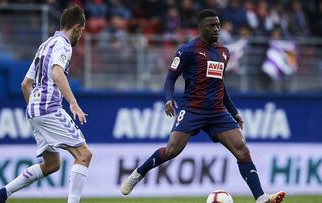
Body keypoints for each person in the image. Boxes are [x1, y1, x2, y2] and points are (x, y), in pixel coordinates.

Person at [121, 9, 286, 203]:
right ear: (200, 28)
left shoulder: (224, 52)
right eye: (211, 26)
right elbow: (170, 77)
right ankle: (138, 174)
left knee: (242, 149)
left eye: (218, 25)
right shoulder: (187, 50)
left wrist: (234, 112)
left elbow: (220, 85)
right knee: (173, 149)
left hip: (217, 111)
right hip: (192, 108)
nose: (216, 29)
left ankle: (261, 198)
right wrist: (168, 99)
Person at [0, 6, 92, 203]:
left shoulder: (45, 45)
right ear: (77, 27)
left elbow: (25, 84)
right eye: (82, 30)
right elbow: (57, 73)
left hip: (34, 110)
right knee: (84, 155)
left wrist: (34, 111)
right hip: (49, 108)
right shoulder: (63, 45)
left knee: (52, 164)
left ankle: (2, 193)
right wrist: (73, 103)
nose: (81, 35)